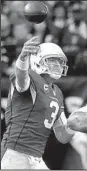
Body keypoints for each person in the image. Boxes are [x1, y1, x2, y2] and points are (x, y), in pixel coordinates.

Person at [1, 36, 75, 169]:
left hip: (36, 158)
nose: (58, 65)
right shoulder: (31, 77)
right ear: (37, 61)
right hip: (14, 153)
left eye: (60, 61)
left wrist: (78, 121)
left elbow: (63, 136)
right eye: (52, 60)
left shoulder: (57, 92)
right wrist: (23, 58)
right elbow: (21, 79)